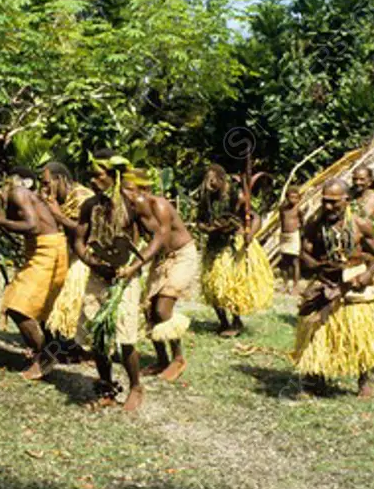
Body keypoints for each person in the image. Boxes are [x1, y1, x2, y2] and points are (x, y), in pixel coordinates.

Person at [292, 179, 374, 398]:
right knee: (316, 330)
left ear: (346, 201)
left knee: (360, 334)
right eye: (325, 202)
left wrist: (366, 274)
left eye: (334, 203)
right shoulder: (315, 224)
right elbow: (304, 252)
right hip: (325, 280)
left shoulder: (361, 224)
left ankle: (363, 380)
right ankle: (316, 378)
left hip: (353, 282)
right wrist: (315, 265)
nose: (328, 207)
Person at [73, 151, 145, 412]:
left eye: (98, 175)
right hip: (98, 275)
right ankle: (106, 386)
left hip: (126, 276)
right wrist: (91, 262)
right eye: (91, 175)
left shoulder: (134, 202)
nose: (92, 181)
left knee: (125, 337)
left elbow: (158, 237)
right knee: (98, 336)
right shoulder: (90, 205)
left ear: (113, 175)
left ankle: (136, 385)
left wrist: (133, 267)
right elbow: (78, 240)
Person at [0, 168, 68, 379]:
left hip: (49, 250)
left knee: (17, 306)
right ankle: (54, 351)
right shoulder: (9, 198)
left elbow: (32, 226)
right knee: (39, 307)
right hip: (39, 250)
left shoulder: (17, 193)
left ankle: (44, 357)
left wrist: (0, 221)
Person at [118, 168, 197, 381]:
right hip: (160, 260)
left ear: (144, 189)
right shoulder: (132, 210)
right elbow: (132, 239)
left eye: (131, 190)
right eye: (123, 190)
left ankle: (178, 359)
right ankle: (161, 359)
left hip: (182, 256)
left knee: (163, 309)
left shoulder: (159, 205)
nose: (126, 194)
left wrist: (134, 267)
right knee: (150, 311)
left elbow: (159, 239)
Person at [197, 163, 274, 337]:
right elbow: (200, 222)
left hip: (234, 245)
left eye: (213, 182)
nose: (210, 186)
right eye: (207, 182)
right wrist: (208, 229)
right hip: (214, 245)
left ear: (222, 179)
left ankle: (236, 321)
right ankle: (223, 322)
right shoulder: (207, 198)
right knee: (213, 286)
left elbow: (254, 218)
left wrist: (250, 234)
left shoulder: (237, 196)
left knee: (232, 284)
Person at [41, 161, 94, 361]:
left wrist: (58, 215)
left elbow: (88, 231)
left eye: (47, 183)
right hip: (68, 255)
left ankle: (82, 348)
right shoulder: (58, 199)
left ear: (60, 179)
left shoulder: (83, 197)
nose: (44, 188)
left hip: (86, 258)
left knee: (75, 303)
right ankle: (71, 347)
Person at [279, 185, 303, 295]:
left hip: (294, 235)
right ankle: (285, 284)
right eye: (290, 197)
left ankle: (295, 285)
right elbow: (281, 219)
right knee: (284, 262)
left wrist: (299, 230)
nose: (293, 200)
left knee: (294, 261)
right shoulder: (282, 208)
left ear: (299, 199)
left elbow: (302, 221)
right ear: (286, 197)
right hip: (284, 235)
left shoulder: (298, 209)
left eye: (295, 197)